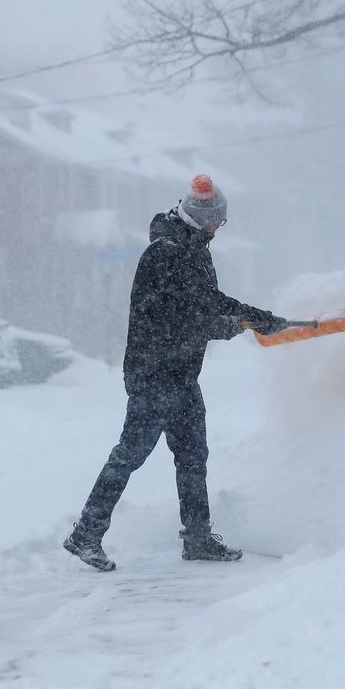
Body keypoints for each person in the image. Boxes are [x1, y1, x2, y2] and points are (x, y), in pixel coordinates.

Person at [64, 175, 286, 571]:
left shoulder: (194, 249)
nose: (219, 228)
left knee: (192, 455)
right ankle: (86, 532)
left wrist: (257, 317)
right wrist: (230, 326)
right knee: (130, 454)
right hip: (154, 372)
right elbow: (178, 317)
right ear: (202, 220)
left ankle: (198, 537)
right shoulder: (164, 253)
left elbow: (208, 300)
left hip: (181, 373)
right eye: (217, 222)